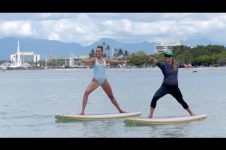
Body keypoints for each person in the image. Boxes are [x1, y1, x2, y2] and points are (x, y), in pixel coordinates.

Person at [78, 45, 127, 115]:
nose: (97, 52)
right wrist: (81, 60)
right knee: (86, 93)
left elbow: (113, 61)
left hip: (104, 80)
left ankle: (120, 110)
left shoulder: (105, 60)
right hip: (96, 81)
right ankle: (82, 112)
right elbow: (87, 60)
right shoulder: (94, 60)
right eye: (96, 51)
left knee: (111, 96)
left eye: (99, 51)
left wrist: (122, 62)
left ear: (102, 52)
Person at [148, 49, 195, 118]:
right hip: (165, 87)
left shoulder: (177, 64)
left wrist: (189, 65)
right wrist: (152, 59)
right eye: (166, 56)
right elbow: (157, 62)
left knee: (181, 101)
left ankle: (191, 113)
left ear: (171, 57)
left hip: (175, 88)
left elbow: (184, 66)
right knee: (155, 97)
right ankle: (150, 115)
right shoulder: (163, 65)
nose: (167, 57)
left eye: (168, 56)